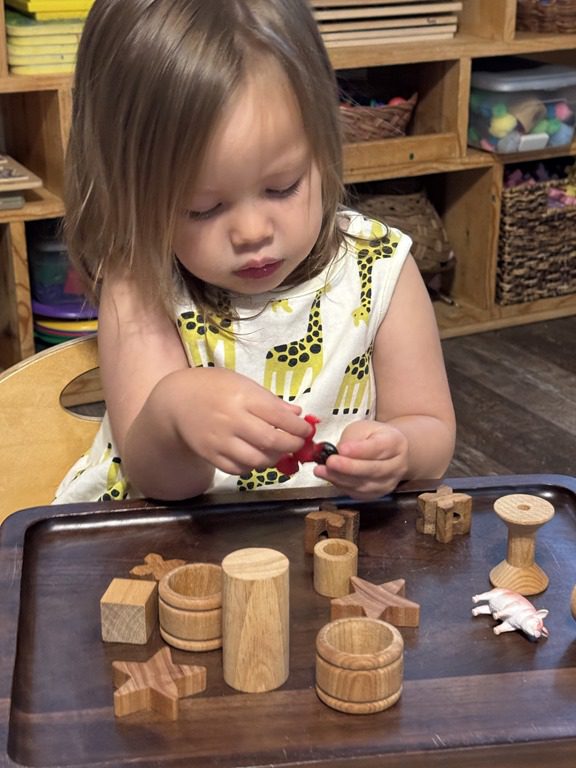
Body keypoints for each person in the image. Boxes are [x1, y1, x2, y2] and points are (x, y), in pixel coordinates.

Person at [55, 0, 455, 504]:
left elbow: (431, 431)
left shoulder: (378, 266)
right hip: (174, 535)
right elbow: (163, 484)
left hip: (333, 534)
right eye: (201, 208)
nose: (251, 232)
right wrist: (173, 413)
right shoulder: (141, 284)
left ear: (323, 149)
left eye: (282, 186)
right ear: (131, 193)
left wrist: (401, 450)